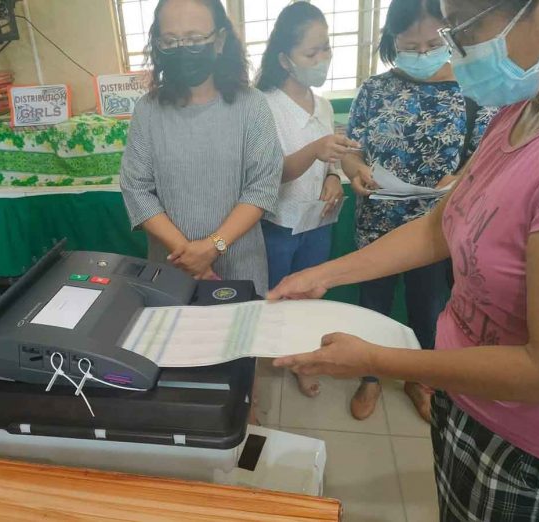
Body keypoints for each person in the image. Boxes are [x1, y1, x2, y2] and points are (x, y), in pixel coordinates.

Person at [269, 0, 539, 518]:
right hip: (464, 396)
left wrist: (373, 361)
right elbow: (437, 227)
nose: (454, 50)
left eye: (465, 29)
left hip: (523, 443)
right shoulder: (515, 114)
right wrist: (321, 275)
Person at [341, 0, 496, 422]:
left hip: (436, 232)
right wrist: (355, 171)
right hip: (377, 226)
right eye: (411, 45)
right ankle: (369, 376)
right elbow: (350, 153)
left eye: (433, 43)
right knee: (371, 306)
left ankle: (419, 379)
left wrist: (461, 179)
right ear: (393, 42)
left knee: (428, 310)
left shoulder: (475, 90)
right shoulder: (375, 90)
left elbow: (488, 159)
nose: (423, 54)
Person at [120, 0, 283, 297]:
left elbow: (262, 187)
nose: (182, 49)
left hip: (240, 268)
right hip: (170, 270)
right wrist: (190, 255)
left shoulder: (252, 105)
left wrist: (212, 247)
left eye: (195, 39)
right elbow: (136, 189)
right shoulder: (148, 110)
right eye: (170, 40)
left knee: (242, 341)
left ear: (219, 41)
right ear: (157, 45)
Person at [255, 2, 359, 397]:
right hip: (280, 223)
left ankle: (300, 357)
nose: (322, 59)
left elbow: (331, 157)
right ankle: (270, 355)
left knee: (311, 293)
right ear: (285, 58)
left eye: (326, 48)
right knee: (278, 294)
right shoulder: (263, 105)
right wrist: (316, 149)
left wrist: (333, 175)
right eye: (311, 53)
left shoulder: (324, 103)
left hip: (319, 221)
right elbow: (270, 175)